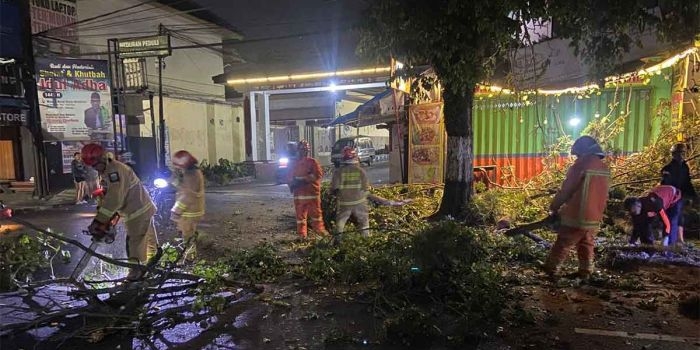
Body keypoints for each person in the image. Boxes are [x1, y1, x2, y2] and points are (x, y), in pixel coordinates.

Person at [81, 143, 158, 281]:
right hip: (140, 209)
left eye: (95, 165)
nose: (95, 168)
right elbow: (112, 195)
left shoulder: (114, 171)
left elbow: (114, 199)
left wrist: (99, 221)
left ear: (102, 158)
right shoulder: (108, 170)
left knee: (135, 242)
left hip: (137, 211)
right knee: (148, 241)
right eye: (92, 166)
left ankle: (136, 274)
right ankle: (154, 267)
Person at [543, 136, 610, 279]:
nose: (577, 157)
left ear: (582, 151)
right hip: (595, 216)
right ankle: (585, 272)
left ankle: (551, 269)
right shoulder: (604, 168)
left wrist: (554, 206)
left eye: (577, 154)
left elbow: (567, 190)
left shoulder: (580, 165)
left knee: (563, 242)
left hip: (577, 214)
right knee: (586, 242)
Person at [288, 140, 329, 238]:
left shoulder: (312, 162)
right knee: (301, 219)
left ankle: (322, 236)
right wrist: (292, 183)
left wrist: (303, 180)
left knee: (315, 218)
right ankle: (302, 237)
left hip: (310, 195)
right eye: (302, 150)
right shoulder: (295, 163)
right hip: (303, 196)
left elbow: (318, 175)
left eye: (304, 150)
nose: (303, 152)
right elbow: (289, 177)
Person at [170, 150, 205, 261]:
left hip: (189, 212)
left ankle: (190, 258)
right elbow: (180, 186)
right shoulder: (190, 172)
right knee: (187, 232)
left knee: (187, 236)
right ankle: (192, 250)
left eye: (177, 165)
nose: (176, 167)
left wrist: (176, 210)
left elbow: (186, 196)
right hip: (191, 210)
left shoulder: (192, 175)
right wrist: (175, 176)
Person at [660, 143, 697, 244]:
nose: (681, 155)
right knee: (672, 217)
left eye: (683, 153)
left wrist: (693, 196)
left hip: (680, 196)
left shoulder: (685, 167)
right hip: (671, 197)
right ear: (673, 154)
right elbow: (665, 184)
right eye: (678, 153)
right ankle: (669, 241)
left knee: (679, 216)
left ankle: (679, 239)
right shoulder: (667, 168)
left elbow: (687, 181)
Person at [331, 146, 371, 237]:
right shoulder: (361, 171)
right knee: (364, 221)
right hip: (359, 203)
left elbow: (334, 189)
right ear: (355, 157)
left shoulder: (338, 172)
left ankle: (338, 240)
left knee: (340, 222)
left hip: (344, 203)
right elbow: (365, 188)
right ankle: (366, 239)